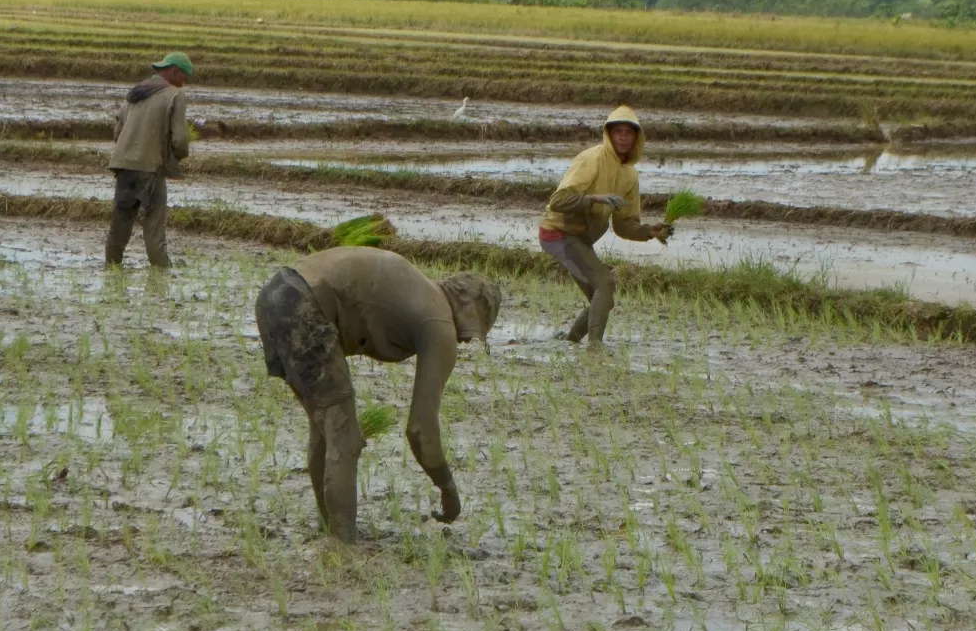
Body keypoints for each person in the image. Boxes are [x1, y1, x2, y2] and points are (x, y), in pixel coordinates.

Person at [254, 247, 502, 542]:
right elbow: (421, 429)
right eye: (472, 334)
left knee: (325, 429)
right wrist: (447, 488)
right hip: (305, 303)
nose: (462, 342)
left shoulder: (422, 291)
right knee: (343, 436)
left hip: (276, 293)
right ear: (472, 307)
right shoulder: (440, 324)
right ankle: (343, 546)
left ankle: (332, 529)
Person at [538, 106, 673, 347]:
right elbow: (557, 202)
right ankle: (595, 348)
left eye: (628, 132)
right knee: (606, 283)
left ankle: (570, 343)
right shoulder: (592, 159)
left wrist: (650, 232)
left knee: (604, 299)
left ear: (637, 137)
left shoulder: (629, 175)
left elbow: (624, 226)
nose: (623, 136)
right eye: (618, 131)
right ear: (608, 134)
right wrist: (594, 199)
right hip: (558, 234)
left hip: (580, 241)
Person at [106, 52, 194, 267]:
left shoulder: (137, 92)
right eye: (184, 76)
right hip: (150, 167)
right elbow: (180, 140)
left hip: (123, 165)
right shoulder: (175, 95)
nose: (184, 82)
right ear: (175, 70)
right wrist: (176, 157)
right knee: (154, 226)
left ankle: (111, 268)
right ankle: (161, 276)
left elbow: (118, 132)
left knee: (121, 223)